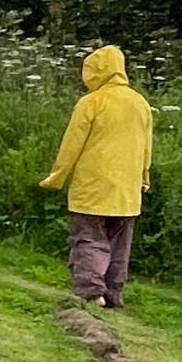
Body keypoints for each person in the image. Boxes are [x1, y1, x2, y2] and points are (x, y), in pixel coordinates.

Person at [39, 44, 156, 308]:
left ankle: (92, 292)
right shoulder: (140, 103)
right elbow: (146, 146)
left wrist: (56, 177)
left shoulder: (91, 102)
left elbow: (72, 145)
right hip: (127, 190)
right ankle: (114, 293)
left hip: (92, 186)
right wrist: (143, 178)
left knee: (89, 238)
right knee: (119, 245)